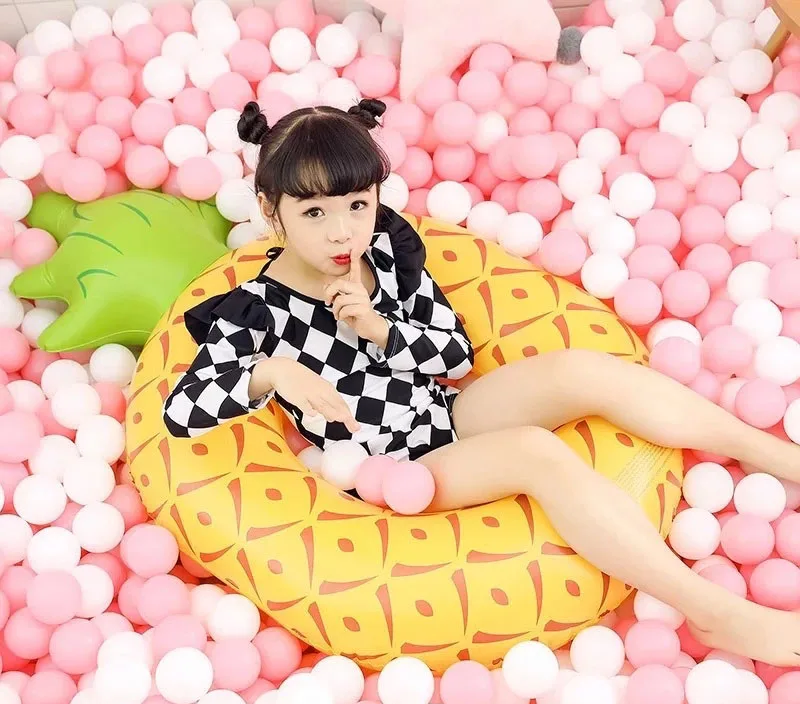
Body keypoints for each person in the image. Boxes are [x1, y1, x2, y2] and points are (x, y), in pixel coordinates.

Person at [165, 98, 800, 667]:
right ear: (270, 211)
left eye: (358, 205)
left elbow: (454, 351)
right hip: (394, 471)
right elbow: (182, 411)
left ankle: (772, 455)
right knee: (533, 451)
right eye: (314, 213)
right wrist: (271, 370)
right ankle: (712, 610)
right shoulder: (255, 313)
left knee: (577, 368)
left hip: (444, 412)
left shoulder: (383, 254)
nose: (341, 232)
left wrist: (382, 329)